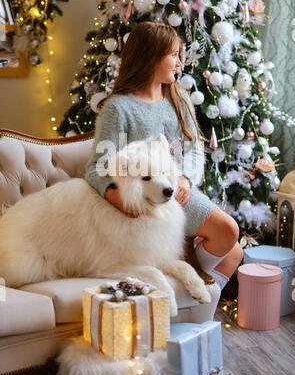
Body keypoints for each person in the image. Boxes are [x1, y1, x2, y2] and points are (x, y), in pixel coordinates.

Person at [85, 21, 243, 290]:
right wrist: (123, 201)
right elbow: (96, 168)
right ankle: (179, 272)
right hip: (150, 198)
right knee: (228, 232)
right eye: (173, 56)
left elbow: (194, 149)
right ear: (150, 57)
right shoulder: (119, 108)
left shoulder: (178, 98)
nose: (180, 63)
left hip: (178, 190)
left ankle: (185, 289)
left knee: (235, 252)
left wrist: (185, 179)